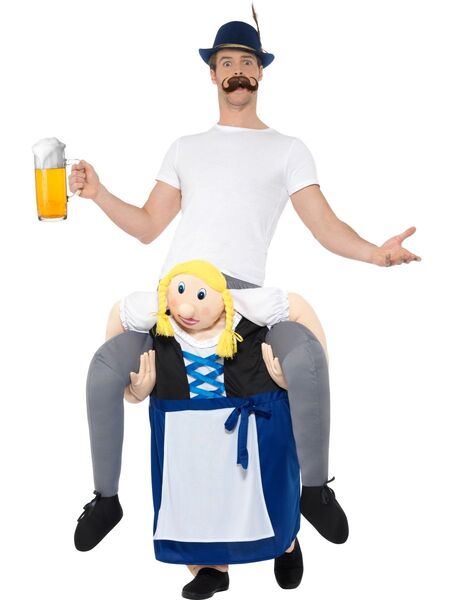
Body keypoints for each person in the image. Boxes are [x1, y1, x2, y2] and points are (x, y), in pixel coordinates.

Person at [72, 9, 421, 568]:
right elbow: (147, 225)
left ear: (261, 72)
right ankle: (106, 499)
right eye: (226, 62)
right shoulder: (185, 147)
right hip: (175, 299)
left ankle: (313, 492)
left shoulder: (287, 149)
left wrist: (376, 253)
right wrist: (99, 194)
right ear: (212, 73)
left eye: (247, 62)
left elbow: (325, 226)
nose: (237, 71)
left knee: (304, 360)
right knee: (103, 369)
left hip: (242, 305)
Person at [124, 259, 303, 597]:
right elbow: (116, 339)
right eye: (179, 292)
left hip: (251, 421)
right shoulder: (160, 327)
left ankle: (285, 543)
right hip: (185, 430)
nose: (186, 307)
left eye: (200, 295)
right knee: (196, 499)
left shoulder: (251, 318)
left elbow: (299, 313)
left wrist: (295, 378)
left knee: (270, 489)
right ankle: (210, 568)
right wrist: (131, 390)